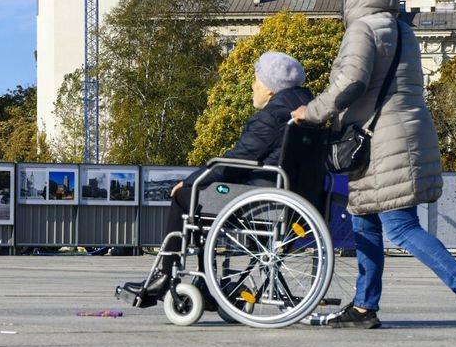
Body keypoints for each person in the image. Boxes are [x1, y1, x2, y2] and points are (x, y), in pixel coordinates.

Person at [291, 0, 456, 331]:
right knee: (364, 222)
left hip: (382, 141)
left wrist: (313, 111)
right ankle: (364, 307)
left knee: (400, 226)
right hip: (401, 134)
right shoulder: (402, 30)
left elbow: (351, 82)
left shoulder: (362, 29)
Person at [120, 51, 314, 302]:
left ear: (269, 88)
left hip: (263, 200)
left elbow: (236, 161)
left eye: (256, 80)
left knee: (184, 197)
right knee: (206, 200)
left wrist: (191, 180)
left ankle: (165, 275)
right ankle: (205, 282)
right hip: (294, 197)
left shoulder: (271, 117)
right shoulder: (307, 111)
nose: (253, 85)